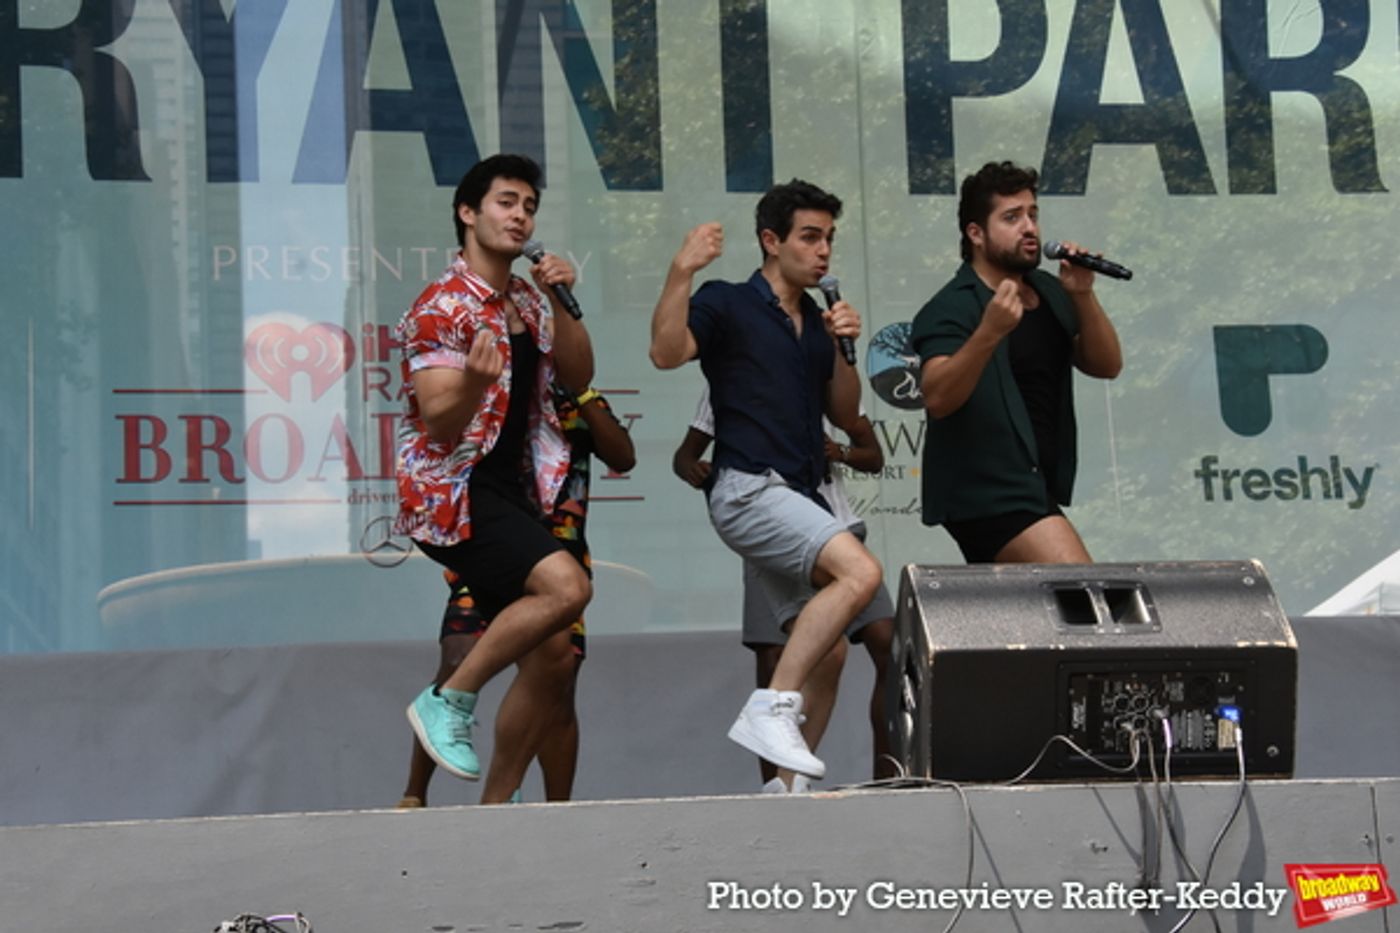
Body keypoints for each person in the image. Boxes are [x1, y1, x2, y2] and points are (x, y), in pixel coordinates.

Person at [649, 179, 884, 780]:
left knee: (829, 650)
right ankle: (771, 708)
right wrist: (681, 270)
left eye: (829, 238)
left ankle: (786, 788)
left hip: (800, 496)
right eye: (809, 237)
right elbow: (666, 352)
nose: (823, 250)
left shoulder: (814, 319)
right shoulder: (728, 300)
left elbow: (845, 413)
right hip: (749, 488)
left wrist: (841, 346)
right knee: (861, 572)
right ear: (771, 241)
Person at [395, 153, 595, 803]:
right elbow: (437, 417)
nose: (520, 216)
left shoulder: (529, 302)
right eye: (506, 202)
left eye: (529, 206)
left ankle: (496, 810)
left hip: (516, 491)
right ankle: (447, 701)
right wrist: (475, 381)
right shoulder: (442, 304)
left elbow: (577, 378)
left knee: (554, 653)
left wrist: (566, 305)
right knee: (567, 586)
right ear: (468, 213)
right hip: (456, 490)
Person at [399, 385, 635, 807]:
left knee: (558, 672)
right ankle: (414, 794)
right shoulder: (499, 397)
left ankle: (537, 802)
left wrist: (582, 393)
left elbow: (623, 456)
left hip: (558, 555)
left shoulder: (570, 397)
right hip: (494, 545)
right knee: (458, 657)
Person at [673, 388, 897, 791]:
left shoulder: (825, 377)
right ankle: (777, 782)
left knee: (884, 640)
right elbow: (685, 455)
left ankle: (883, 777)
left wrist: (839, 451)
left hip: (837, 523)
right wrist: (699, 470)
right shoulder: (732, 377)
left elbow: (872, 454)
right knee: (781, 655)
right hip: (772, 522)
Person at [910, 161, 1123, 563]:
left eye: (1033, 214)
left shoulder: (1048, 289)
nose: (1029, 227)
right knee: (1086, 592)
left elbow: (1106, 365)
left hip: (1033, 485)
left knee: (1045, 615)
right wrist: (989, 332)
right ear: (976, 233)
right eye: (1012, 217)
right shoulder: (951, 307)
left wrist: (1081, 294)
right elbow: (937, 397)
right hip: (985, 493)